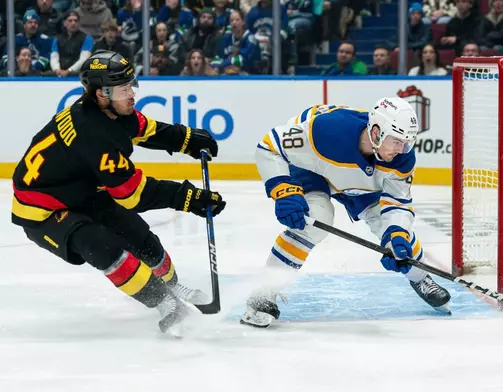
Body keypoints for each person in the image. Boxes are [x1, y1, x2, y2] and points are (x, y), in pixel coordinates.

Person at [11, 50, 225, 336]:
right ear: (102, 94)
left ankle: (174, 288)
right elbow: (132, 194)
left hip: (82, 191)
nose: (132, 94)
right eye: (125, 89)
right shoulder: (94, 132)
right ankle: (165, 303)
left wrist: (185, 139)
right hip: (43, 209)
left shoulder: (110, 111)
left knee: (138, 234)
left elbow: (146, 130)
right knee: (101, 245)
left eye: (131, 86)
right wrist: (186, 197)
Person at [241, 98, 452, 328]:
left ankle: (420, 277)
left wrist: (397, 234)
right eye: (397, 141)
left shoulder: (401, 158)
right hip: (314, 165)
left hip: (359, 176)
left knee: (395, 234)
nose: (402, 149)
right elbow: (270, 145)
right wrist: (282, 189)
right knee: (315, 221)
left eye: (407, 142)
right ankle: (264, 292)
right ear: (376, 131)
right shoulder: (327, 130)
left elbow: (397, 203)